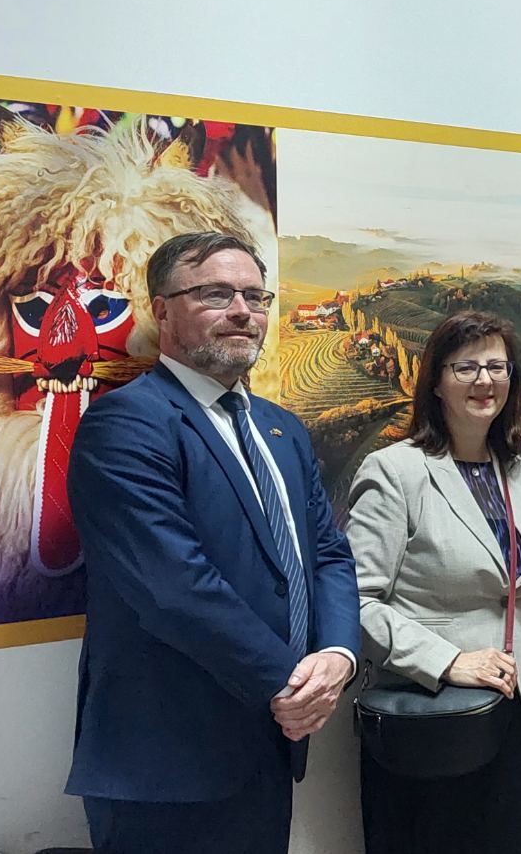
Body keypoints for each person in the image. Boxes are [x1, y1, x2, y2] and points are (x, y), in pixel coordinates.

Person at [66, 231, 360, 854]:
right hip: (168, 761)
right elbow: (174, 587)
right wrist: (289, 684)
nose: (242, 311)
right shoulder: (126, 424)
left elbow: (328, 553)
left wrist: (338, 654)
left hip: (268, 745)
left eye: (256, 296)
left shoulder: (281, 428)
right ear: (162, 310)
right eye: (216, 294)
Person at [348, 310, 521, 854]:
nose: (484, 380)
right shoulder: (394, 471)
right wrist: (448, 660)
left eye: (497, 367)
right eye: (466, 367)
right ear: (436, 382)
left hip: (513, 720)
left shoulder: (520, 474)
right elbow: (355, 601)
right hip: (430, 719)